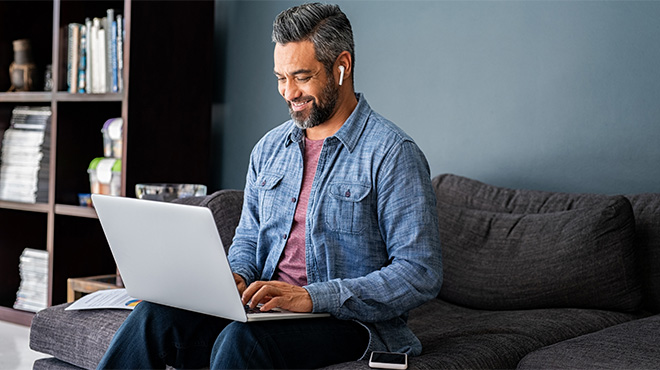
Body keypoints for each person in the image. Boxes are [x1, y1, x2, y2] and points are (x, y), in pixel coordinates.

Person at [97, 3, 442, 369]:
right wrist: (236, 277)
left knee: (243, 342)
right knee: (154, 316)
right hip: (266, 312)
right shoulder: (270, 148)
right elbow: (248, 237)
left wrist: (311, 297)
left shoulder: (391, 153)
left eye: (302, 77)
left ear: (342, 66)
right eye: (280, 77)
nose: (288, 92)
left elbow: (419, 272)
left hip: (348, 323)